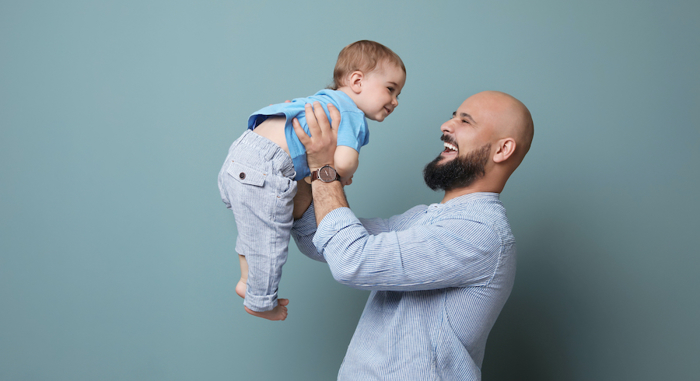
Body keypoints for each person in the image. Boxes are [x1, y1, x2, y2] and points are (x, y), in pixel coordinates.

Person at [290, 90, 534, 379]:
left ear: (502, 150)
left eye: (465, 121)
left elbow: (351, 260)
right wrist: (298, 166)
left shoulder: (480, 232)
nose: (446, 125)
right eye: (453, 115)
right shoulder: (421, 218)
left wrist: (323, 169)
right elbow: (318, 238)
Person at [217, 40, 406, 320]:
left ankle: (247, 281)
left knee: (255, 230)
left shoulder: (321, 99)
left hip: (241, 154)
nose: (395, 101)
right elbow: (343, 161)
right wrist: (345, 174)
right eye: (390, 89)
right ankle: (261, 302)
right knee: (270, 240)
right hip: (265, 168)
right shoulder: (351, 113)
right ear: (357, 81)